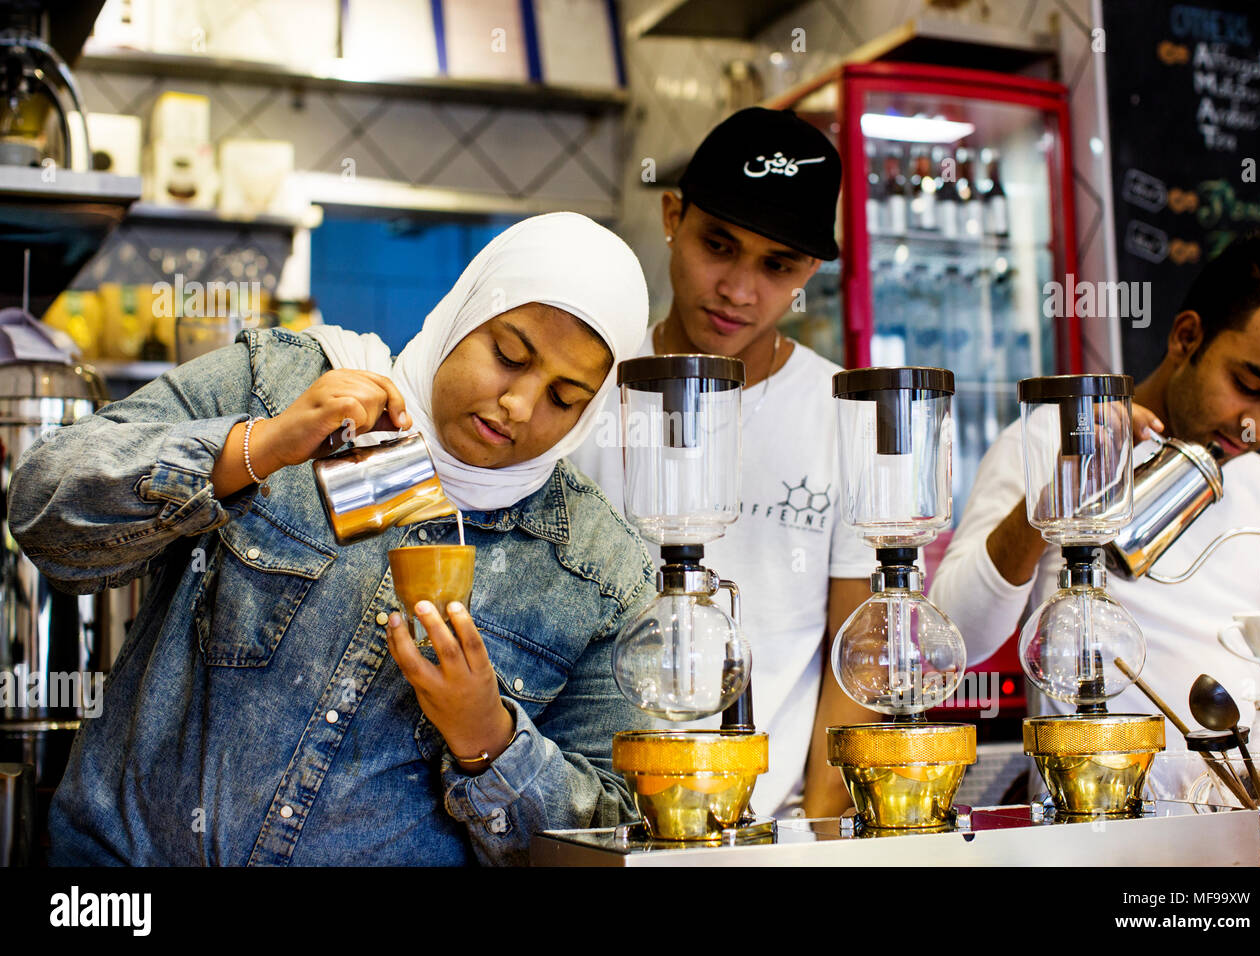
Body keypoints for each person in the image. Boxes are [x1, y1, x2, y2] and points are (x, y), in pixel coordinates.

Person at [9, 212, 656, 866]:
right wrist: (260, 446)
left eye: (565, 397)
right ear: (463, 312)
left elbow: (612, 840)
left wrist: (488, 739)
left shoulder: (598, 575)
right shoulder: (280, 384)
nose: (520, 404)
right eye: (508, 356)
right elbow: (43, 511)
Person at [569, 108, 876, 818]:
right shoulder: (583, 391)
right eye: (719, 245)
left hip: (767, 827)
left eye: (778, 266)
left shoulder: (840, 415)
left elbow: (851, 656)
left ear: (811, 272)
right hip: (590, 815)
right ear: (672, 216)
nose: (740, 289)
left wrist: (824, 836)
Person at [931, 232, 1260, 734]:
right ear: (1186, 337)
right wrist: (1051, 501)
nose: (1258, 425)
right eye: (1248, 387)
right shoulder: (1047, 440)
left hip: (1237, 803)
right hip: (1093, 801)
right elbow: (952, 642)